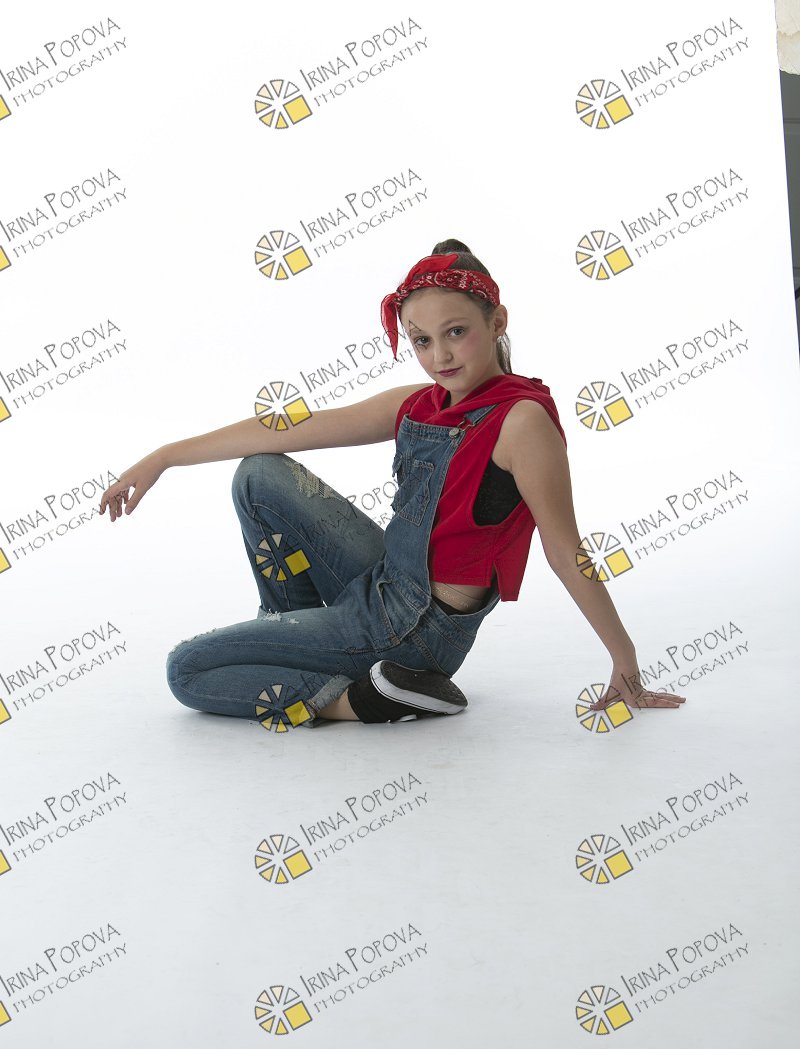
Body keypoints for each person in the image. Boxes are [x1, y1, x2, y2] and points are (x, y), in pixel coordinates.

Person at [99, 238, 686, 730]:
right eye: (422, 340)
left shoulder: (521, 422)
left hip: (416, 633)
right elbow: (291, 427)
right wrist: (164, 457)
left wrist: (624, 659)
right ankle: (285, 636)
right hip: (383, 583)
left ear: (497, 321)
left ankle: (365, 698)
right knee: (259, 473)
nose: (440, 356)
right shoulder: (420, 403)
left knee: (187, 671)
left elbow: (565, 552)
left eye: (456, 332)